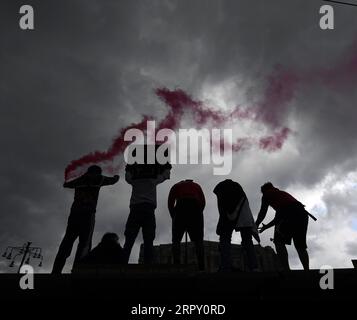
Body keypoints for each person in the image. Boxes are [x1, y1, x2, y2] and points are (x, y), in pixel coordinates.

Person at [52, 165, 119, 274]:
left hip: (74, 215)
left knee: (67, 242)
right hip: (88, 215)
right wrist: (116, 177)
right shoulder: (99, 179)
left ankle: (56, 271)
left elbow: (67, 184)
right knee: (84, 244)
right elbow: (113, 180)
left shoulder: (80, 180)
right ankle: (78, 271)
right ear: (98, 172)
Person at [256, 182, 312, 271]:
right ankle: (307, 270)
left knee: (278, 242)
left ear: (264, 191)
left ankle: (286, 270)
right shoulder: (281, 195)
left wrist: (256, 225)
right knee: (300, 245)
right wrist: (266, 227)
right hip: (302, 215)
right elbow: (279, 218)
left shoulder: (267, 194)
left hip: (288, 215)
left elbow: (263, 212)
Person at [123, 163, 171, 264]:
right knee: (149, 239)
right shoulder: (153, 180)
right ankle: (148, 264)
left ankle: (122, 263)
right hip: (148, 210)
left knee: (129, 239)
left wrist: (128, 169)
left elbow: (127, 177)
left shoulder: (135, 180)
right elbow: (165, 176)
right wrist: (167, 167)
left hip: (135, 209)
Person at [214, 179, 259, 272]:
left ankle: (226, 267)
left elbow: (221, 208)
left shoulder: (221, 190)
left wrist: (220, 226)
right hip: (244, 216)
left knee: (224, 240)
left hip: (228, 215)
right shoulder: (240, 192)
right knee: (247, 241)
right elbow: (247, 208)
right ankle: (254, 267)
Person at [168, 179, 206, 270]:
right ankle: (201, 266)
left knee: (176, 240)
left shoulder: (176, 186)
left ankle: (176, 265)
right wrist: (198, 215)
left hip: (181, 207)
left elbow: (170, 203)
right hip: (195, 207)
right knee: (198, 240)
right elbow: (203, 202)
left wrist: (174, 217)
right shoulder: (197, 186)